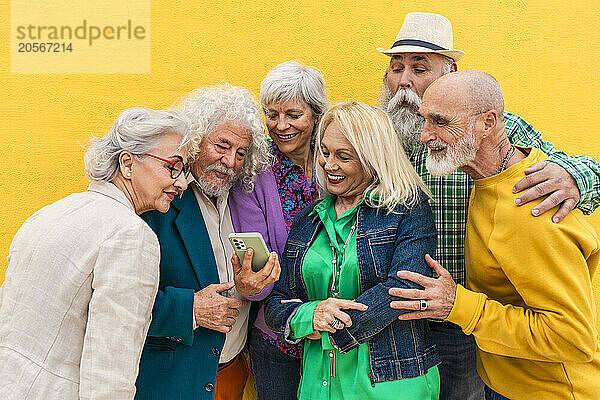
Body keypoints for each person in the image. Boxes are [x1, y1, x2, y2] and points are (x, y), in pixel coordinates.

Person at [377, 12, 600, 399]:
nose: (404, 81)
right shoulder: (385, 129)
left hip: (472, 312)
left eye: (418, 67)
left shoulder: (491, 131)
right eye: (396, 68)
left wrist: (573, 177)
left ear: (449, 71)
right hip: (404, 313)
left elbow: (561, 168)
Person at [0, 107, 193, 399]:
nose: (181, 183)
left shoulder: (51, 212)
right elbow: (110, 367)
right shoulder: (131, 235)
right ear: (127, 163)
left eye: (185, 171)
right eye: (173, 167)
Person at [264, 101, 440, 400]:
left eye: (343, 156)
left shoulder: (408, 210)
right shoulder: (309, 219)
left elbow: (405, 288)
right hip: (318, 384)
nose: (329, 164)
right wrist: (309, 315)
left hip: (390, 382)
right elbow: (277, 301)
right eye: (325, 152)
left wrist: (328, 323)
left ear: (373, 158)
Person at [135, 84, 280, 400]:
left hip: (231, 373)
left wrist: (249, 286)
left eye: (241, 153)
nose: (230, 161)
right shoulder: (160, 200)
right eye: (222, 146)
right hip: (173, 378)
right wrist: (191, 310)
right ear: (196, 141)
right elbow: (121, 301)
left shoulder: (241, 198)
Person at [228, 60, 329, 400]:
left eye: (293, 115)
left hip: (338, 330)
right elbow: (258, 273)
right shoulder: (253, 173)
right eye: (272, 114)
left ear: (315, 114)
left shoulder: (340, 160)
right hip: (277, 336)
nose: (281, 125)